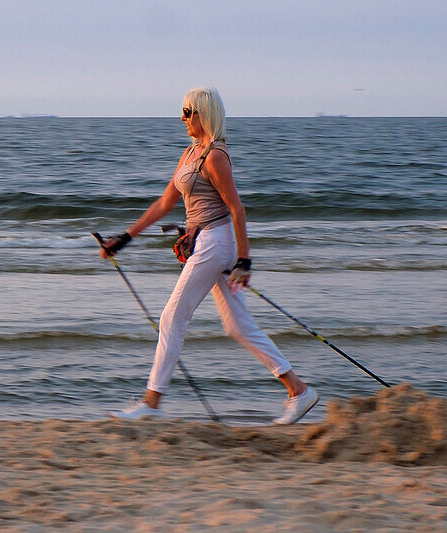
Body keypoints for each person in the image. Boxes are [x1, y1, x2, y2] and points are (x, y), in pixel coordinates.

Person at [100, 87, 318, 424]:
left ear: (205, 115)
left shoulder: (215, 156)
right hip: (205, 242)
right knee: (237, 326)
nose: (183, 118)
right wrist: (125, 238)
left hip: (217, 244)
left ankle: (150, 404)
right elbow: (164, 204)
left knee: (171, 318)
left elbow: (237, 209)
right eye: (183, 111)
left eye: (189, 112)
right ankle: (299, 391)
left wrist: (244, 261)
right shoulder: (190, 153)